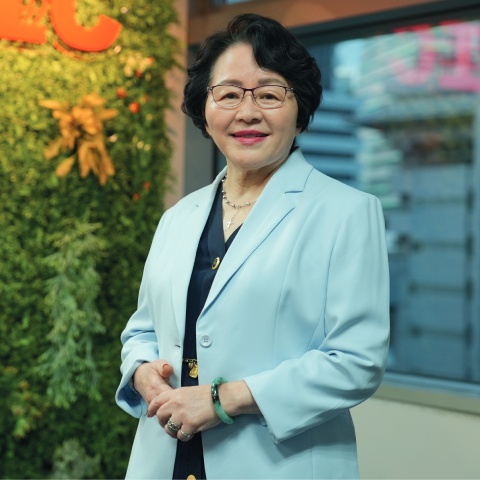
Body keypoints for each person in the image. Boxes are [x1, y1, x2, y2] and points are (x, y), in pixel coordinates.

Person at [116, 13, 390, 480]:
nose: (247, 112)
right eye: (228, 94)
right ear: (205, 109)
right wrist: (142, 370)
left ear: (300, 111)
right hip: (165, 458)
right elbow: (142, 331)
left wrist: (223, 399)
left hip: (276, 464)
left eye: (269, 94)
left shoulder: (346, 212)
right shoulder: (178, 217)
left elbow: (356, 362)